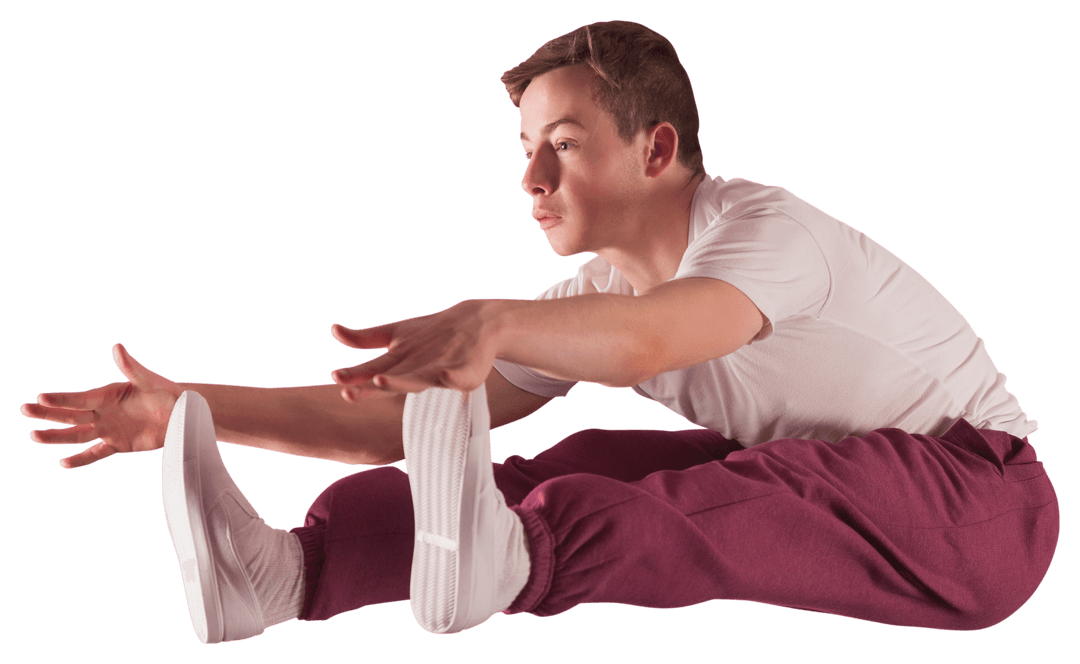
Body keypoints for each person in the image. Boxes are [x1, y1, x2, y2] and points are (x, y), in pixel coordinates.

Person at [21, 20, 1058, 643]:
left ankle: (514, 559)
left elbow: (657, 340)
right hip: (850, 482)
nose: (530, 179)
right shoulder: (591, 300)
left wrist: (492, 322)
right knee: (580, 461)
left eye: (561, 144)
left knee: (728, 495)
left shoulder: (763, 232)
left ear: (656, 149)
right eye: (524, 148)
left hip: (984, 504)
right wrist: (189, 411)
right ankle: (291, 574)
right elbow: (387, 428)